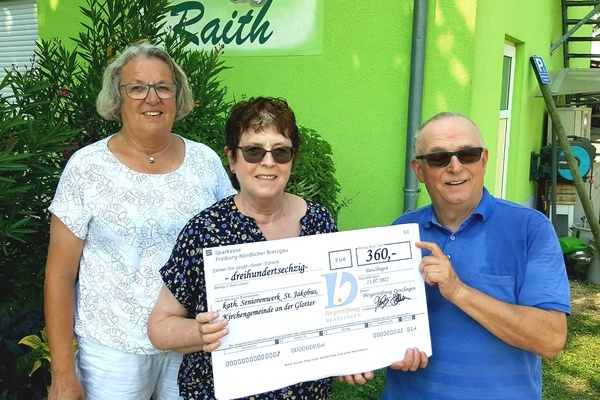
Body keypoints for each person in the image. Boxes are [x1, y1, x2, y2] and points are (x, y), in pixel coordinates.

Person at [43, 42, 236, 400]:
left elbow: (230, 249)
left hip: (189, 340)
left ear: (178, 97)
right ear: (117, 98)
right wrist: (63, 374)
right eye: (136, 87)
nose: (152, 98)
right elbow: (59, 275)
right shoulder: (86, 168)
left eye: (163, 87)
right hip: (111, 350)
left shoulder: (205, 163)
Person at [148, 96, 340, 399]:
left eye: (281, 152)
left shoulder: (320, 221)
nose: (268, 162)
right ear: (232, 158)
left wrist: (354, 351)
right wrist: (199, 332)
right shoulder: (205, 230)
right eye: (253, 151)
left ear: (293, 158)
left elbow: (338, 307)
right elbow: (159, 327)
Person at [379, 112, 570, 399]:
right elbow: (380, 322)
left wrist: (459, 291)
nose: (455, 167)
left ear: (483, 160)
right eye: (439, 158)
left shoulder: (530, 228)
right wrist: (369, 353)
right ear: (419, 170)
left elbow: (551, 339)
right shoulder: (401, 231)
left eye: (467, 154)